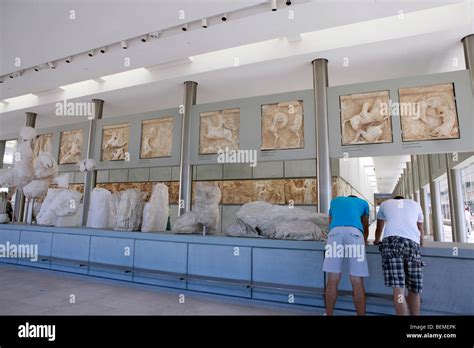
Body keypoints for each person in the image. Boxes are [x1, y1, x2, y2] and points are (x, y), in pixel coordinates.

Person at [374, 195, 424, 316]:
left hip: (392, 243)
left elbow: (379, 229)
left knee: (398, 287)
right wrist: (420, 245)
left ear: (394, 200)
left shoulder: (385, 204)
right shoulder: (415, 204)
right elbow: (421, 231)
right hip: (412, 244)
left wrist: (376, 241)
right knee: (414, 288)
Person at [322, 195, 370, 316]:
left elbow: (330, 222)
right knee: (357, 279)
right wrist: (364, 240)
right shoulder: (363, 203)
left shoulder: (335, 201)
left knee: (332, 278)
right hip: (355, 233)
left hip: (334, 233)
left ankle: (329, 314)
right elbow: (365, 226)